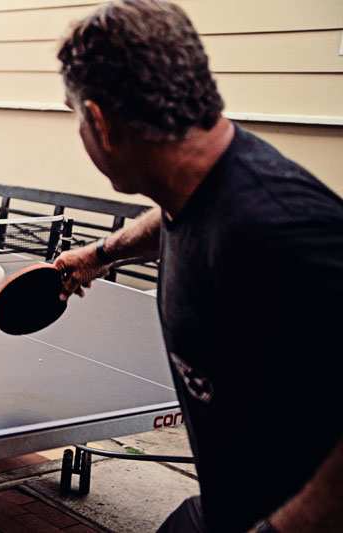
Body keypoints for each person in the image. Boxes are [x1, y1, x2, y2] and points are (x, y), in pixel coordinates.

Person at [53, 1, 342, 532]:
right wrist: (99, 256)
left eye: (77, 118)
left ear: (99, 122)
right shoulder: (198, 189)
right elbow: (173, 220)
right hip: (223, 509)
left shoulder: (283, 227)